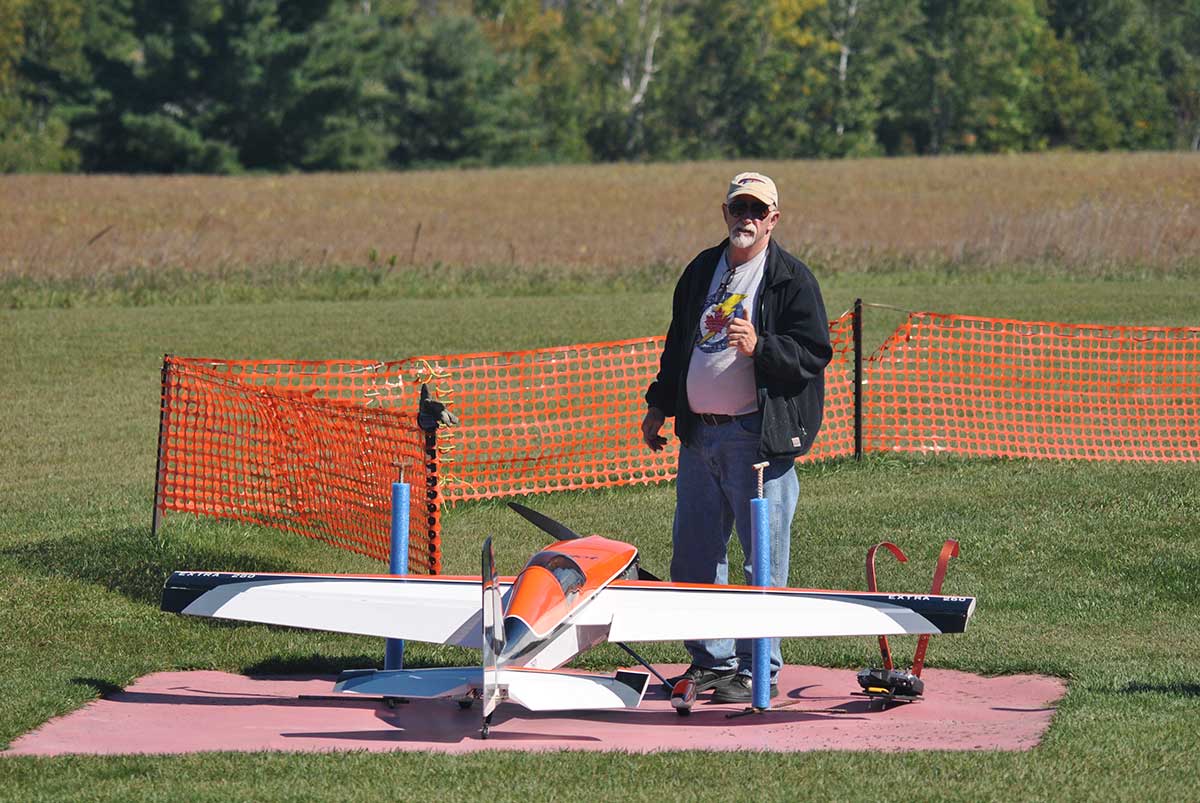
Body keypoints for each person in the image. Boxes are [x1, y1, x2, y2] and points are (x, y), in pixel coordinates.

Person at [641, 171, 832, 703]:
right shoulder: (702, 269)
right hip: (699, 437)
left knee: (761, 561)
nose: (745, 218)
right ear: (723, 212)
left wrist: (761, 347)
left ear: (774, 218)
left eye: (756, 210)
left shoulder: (791, 279)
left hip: (757, 439)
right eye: (737, 208)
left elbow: (814, 354)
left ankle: (756, 669)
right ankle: (711, 663)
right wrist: (660, 403)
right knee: (695, 558)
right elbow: (680, 343)